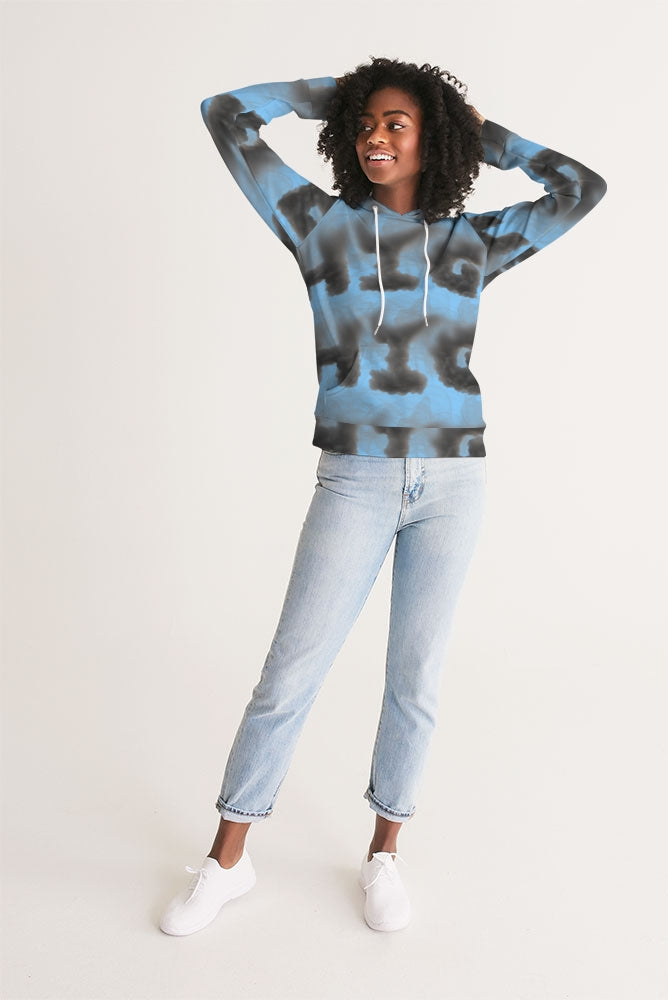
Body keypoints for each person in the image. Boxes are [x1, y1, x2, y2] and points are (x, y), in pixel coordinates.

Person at [159, 56, 606, 937]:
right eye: (364, 125)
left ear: (432, 140)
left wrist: (474, 132)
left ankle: (384, 854)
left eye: (397, 125)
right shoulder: (319, 226)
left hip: (454, 480)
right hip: (355, 478)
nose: (374, 138)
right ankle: (227, 861)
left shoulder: (472, 242)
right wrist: (338, 97)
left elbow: (580, 189)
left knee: (416, 677)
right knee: (290, 673)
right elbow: (225, 114)